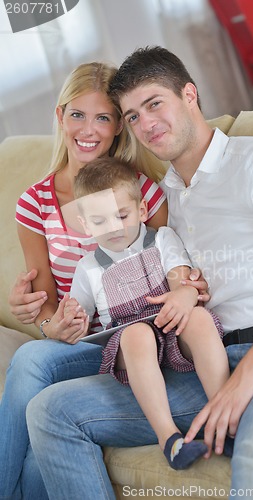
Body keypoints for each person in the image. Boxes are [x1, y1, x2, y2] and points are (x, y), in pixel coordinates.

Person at [26, 46, 253, 499]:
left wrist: (240, 385)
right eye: (131, 116)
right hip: (205, 358)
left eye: (154, 104)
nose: (146, 123)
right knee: (51, 411)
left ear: (189, 94)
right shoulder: (159, 204)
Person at [0, 60, 168, 500]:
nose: (88, 129)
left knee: (33, 363)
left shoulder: (142, 194)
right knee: (38, 444)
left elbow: (171, 264)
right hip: (81, 348)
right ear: (60, 117)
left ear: (118, 127)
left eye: (103, 117)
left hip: (139, 345)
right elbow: (47, 302)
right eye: (77, 114)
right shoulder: (34, 202)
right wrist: (50, 325)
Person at [64, 157, 228, 470]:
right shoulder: (87, 268)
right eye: (99, 221)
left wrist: (184, 292)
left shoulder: (162, 239)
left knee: (198, 317)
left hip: (171, 326)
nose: (113, 227)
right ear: (85, 225)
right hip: (131, 343)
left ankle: (224, 418)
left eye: (121, 215)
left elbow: (181, 278)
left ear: (140, 211)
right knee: (137, 334)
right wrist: (70, 317)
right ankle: (170, 439)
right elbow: (79, 320)